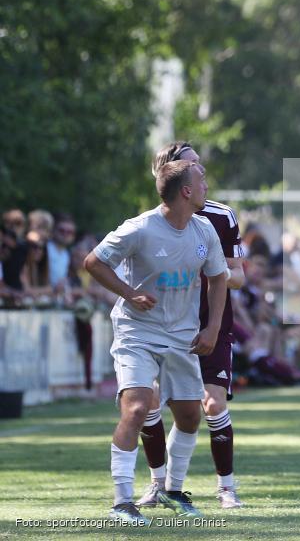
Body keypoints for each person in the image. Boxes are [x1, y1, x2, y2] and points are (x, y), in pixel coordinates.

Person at [85, 160, 228, 524]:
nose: (206, 186)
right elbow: (93, 262)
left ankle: (172, 490)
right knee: (136, 409)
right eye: (201, 181)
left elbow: (218, 279)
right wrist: (129, 293)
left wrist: (212, 329)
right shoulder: (140, 229)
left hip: (183, 336)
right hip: (138, 332)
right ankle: (122, 502)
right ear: (186, 191)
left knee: (189, 416)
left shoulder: (205, 230)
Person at [134, 142, 248, 510]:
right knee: (150, 401)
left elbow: (240, 277)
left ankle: (226, 487)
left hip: (211, 323)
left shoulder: (221, 217)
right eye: (192, 165)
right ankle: (158, 484)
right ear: (172, 176)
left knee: (211, 405)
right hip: (165, 326)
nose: (202, 173)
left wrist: (211, 269)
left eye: (200, 164)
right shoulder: (152, 222)